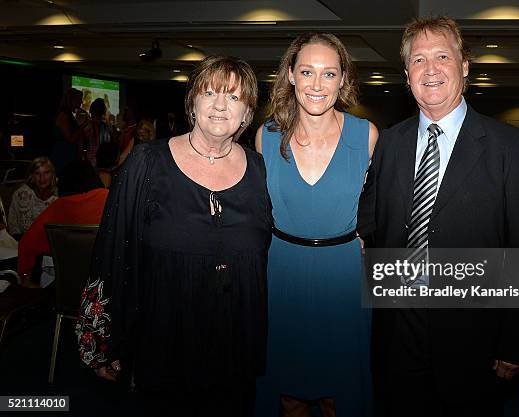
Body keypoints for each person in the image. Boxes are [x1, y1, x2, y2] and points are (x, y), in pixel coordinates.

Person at [357, 16, 519, 417]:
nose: (431, 69)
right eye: (419, 60)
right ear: (407, 75)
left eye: (442, 56)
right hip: (396, 336)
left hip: (473, 339)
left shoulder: (509, 147)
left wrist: (514, 342)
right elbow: (369, 225)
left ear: (465, 66)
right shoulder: (389, 143)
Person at [76, 55, 271, 417]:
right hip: (164, 338)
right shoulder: (146, 163)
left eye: (233, 97)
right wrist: (103, 340)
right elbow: (112, 249)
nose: (219, 105)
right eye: (210, 92)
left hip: (235, 342)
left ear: (246, 113)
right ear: (192, 103)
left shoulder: (260, 170)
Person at [255, 32, 378, 417]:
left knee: (337, 396)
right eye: (307, 71)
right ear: (290, 75)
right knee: (288, 394)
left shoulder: (367, 135)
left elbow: (384, 203)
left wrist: (368, 239)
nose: (317, 84)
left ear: (343, 79)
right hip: (282, 274)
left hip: (342, 276)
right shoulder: (266, 136)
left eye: (329, 73)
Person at [17, 160, 107, 287]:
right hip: (109, 283)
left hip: (68, 287)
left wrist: (26, 278)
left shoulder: (58, 207)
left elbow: (26, 245)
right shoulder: (110, 198)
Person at [8, 157, 58, 237]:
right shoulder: (22, 194)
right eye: (37, 173)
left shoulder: (59, 194)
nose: (42, 178)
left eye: (46, 173)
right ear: (32, 176)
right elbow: (18, 228)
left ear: (52, 174)